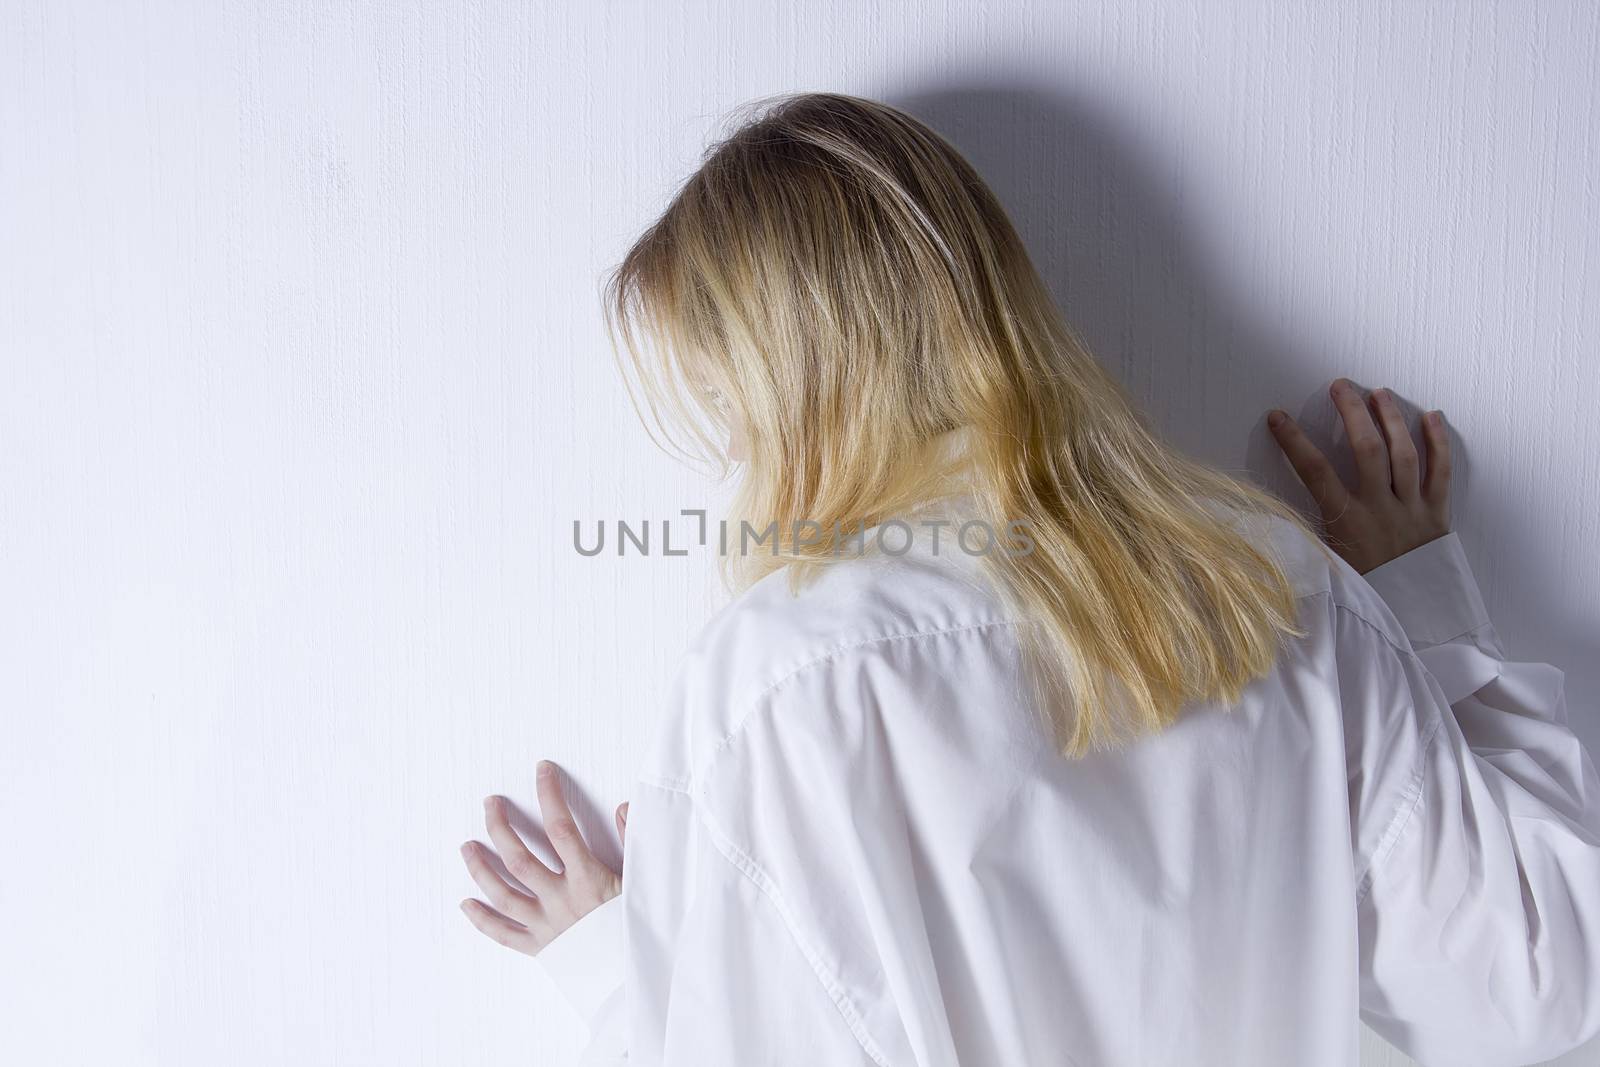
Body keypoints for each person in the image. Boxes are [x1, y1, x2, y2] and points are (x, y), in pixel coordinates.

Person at [456, 92, 1600, 1066]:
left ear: (790, 381)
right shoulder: (1282, 592)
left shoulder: (778, 679)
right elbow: (1539, 982)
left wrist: (624, 963)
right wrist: (1421, 596)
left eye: (728, 411)